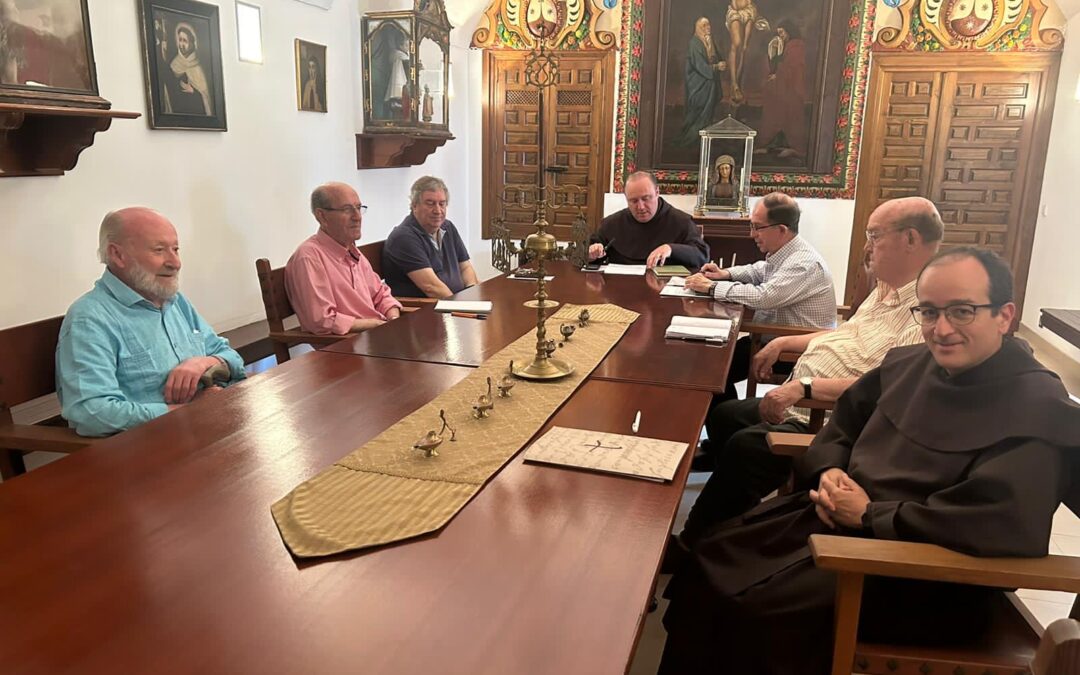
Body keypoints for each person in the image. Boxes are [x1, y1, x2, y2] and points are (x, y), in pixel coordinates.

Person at [659, 247, 1080, 674]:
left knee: (751, 610)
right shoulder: (908, 364)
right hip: (838, 525)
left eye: (963, 312)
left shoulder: (1036, 405)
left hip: (922, 577)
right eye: (930, 313)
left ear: (1005, 316)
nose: (942, 329)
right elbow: (841, 427)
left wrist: (869, 515)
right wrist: (830, 471)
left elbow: (998, 521)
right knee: (711, 555)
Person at [675, 198, 944, 554]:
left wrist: (802, 387)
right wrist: (786, 341)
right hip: (802, 395)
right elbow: (844, 334)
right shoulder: (887, 289)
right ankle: (731, 514)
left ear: (910, 239)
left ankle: (696, 542)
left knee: (745, 448)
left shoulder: (927, 309)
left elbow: (889, 385)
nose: (866, 247)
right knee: (725, 416)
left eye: (874, 236)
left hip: (828, 416)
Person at [56, 208, 245, 437]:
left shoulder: (175, 301)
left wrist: (206, 362)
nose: (175, 262)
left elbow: (231, 357)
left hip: (207, 428)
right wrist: (184, 412)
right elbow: (92, 412)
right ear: (117, 255)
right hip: (150, 449)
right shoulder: (90, 319)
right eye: (159, 250)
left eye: (175, 249)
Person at [685, 192, 836, 399]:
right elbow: (759, 270)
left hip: (793, 349)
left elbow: (764, 297)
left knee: (710, 371)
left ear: (781, 229)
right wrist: (725, 274)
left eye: (757, 227)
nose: (752, 234)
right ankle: (724, 418)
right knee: (709, 362)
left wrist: (712, 287)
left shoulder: (803, 264)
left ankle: (725, 422)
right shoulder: (788, 252)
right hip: (770, 336)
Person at [285, 182, 402, 335]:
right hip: (345, 347)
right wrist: (375, 324)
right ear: (322, 216)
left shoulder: (352, 251)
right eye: (347, 209)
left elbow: (381, 295)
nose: (357, 217)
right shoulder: (309, 258)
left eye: (359, 208)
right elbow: (321, 320)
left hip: (377, 336)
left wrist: (392, 319)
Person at [588, 171, 708, 269]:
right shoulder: (611, 224)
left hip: (664, 291)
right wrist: (591, 253)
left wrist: (671, 249)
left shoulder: (681, 221)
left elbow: (702, 256)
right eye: (634, 201)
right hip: (620, 290)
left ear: (657, 192)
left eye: (646, 198)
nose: (640, 207)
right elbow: (581, 253)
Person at [382, 176, 478, 299]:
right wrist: (461, 309)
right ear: (414, 206)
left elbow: (465, 268)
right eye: (430, 204)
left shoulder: (447, 227)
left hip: (455, 303)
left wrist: (471, 292)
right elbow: (431, 288)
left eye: (442, 204)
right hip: (427, 310)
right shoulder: (403, 237)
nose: (438, 211)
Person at [758, 20, 808, 159]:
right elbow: (778, 64)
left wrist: (778, 75)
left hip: (792, 90)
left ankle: (795, 148)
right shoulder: (785, 45)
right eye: (779, 33)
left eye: (782, 33)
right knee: (775, 108)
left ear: (789, 31)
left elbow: (793, 68)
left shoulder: (796, 45)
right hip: (783, 89)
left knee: (791, 116)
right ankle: (771, 143)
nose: (781, 36)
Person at [676, 17, 726, 147]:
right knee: (697, 112)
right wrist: (716, 67)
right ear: (699, 28)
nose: (708, 27)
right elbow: (699, 65)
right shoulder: (694, 43)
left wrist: (721, 63)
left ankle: (703, 141)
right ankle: (690, 140)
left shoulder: (710, 40)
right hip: (697, 84)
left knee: (708, 113)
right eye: (704, 25)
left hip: (709, 82)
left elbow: (715, 57)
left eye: (708, 24)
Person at [167, 22, 211, 115]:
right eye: (180, 40)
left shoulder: (198, 67)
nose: (181, 44)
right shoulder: (174, 65)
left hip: (198, 113)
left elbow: (206, 96)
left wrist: (194, 92)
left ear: (192, 43)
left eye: (185, 41)